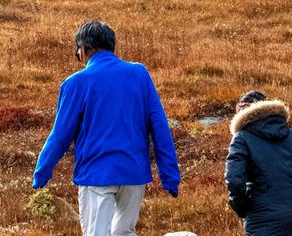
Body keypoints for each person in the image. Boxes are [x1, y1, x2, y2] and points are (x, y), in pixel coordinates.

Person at [32, 21, 181, 236]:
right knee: (124, 232)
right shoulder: (139, 74)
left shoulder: (76, 83)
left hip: (96, 173)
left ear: (83, 49)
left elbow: (60, 135)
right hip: (133, 173)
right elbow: (159, 126)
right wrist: (170, 176)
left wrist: (42, 173)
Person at [225, 89, 292, 236]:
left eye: (240, 109)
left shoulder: (242, 138)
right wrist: (291, 194)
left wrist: (242, 208)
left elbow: (235, 182)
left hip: (263, 219)